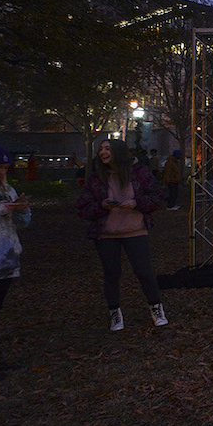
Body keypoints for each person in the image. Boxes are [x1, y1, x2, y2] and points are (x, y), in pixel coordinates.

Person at [75, 139, 168, 331]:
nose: (103, 153)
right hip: (107, 233)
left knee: (144, 271)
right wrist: (102, 206)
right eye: (100, 149)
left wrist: (136, 203)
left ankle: (156, 308)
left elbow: (157, 196)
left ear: (118, 151)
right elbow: (82, 208)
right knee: (111, 274)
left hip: (135, 230)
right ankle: (114, 313)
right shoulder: (97, 177)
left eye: (107, 149)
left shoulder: (139, 172)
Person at [0, 144, 31, 379]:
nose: (0, 173)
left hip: (5, 261)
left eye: (4, 168)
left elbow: (23, 223)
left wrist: (21, 211)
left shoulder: (8, 190)